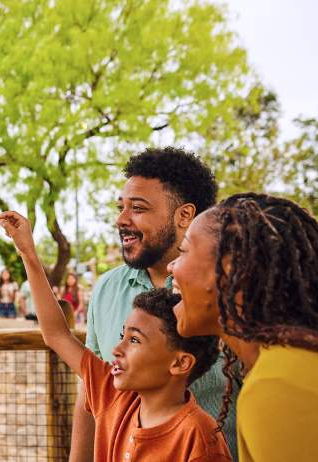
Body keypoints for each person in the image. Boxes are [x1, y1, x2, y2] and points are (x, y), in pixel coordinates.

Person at [0, 211, 231, 461]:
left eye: (134, 340)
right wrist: (28, 253)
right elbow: (56, 334)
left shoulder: (200, 441)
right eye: (123, 335)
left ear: (180, 363)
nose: (116, 349)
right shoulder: (113, 395)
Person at [75, 147, 237, 461]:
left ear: (185, 215)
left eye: (138, 208)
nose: (121, 220)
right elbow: (91, 390)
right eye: (121, 207)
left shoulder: (228, 291)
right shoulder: (106, 289)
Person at [169, 193, 318, 462]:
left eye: (183, 251)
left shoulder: (277, 387)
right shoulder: (286, 367)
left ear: (230, 268)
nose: (171, 267)